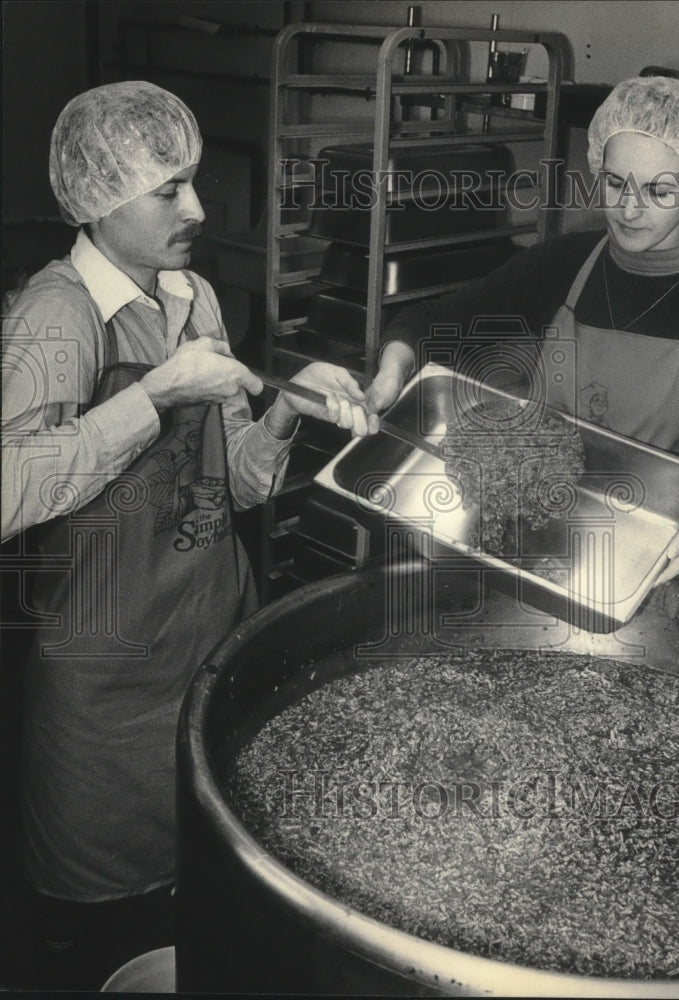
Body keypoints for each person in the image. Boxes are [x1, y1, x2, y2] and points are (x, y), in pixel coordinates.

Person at [0, 81, 376, 988]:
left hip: (208, 647)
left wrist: (284, 410)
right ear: (101, 194)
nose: (199, 209)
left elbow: (234, 479)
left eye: (193, 181)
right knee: (106, 937)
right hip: (104, 697)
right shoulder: (59, 317)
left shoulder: (193, 294)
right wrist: (155, 394)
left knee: (209, 909)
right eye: (169, 189)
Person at [366, 75, 679, 586]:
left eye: (658, 190)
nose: (629, 210)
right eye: (615, 183)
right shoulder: (563, 263)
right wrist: (393, 369)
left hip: (651, 567)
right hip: (527, 544)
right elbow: (432, 323)